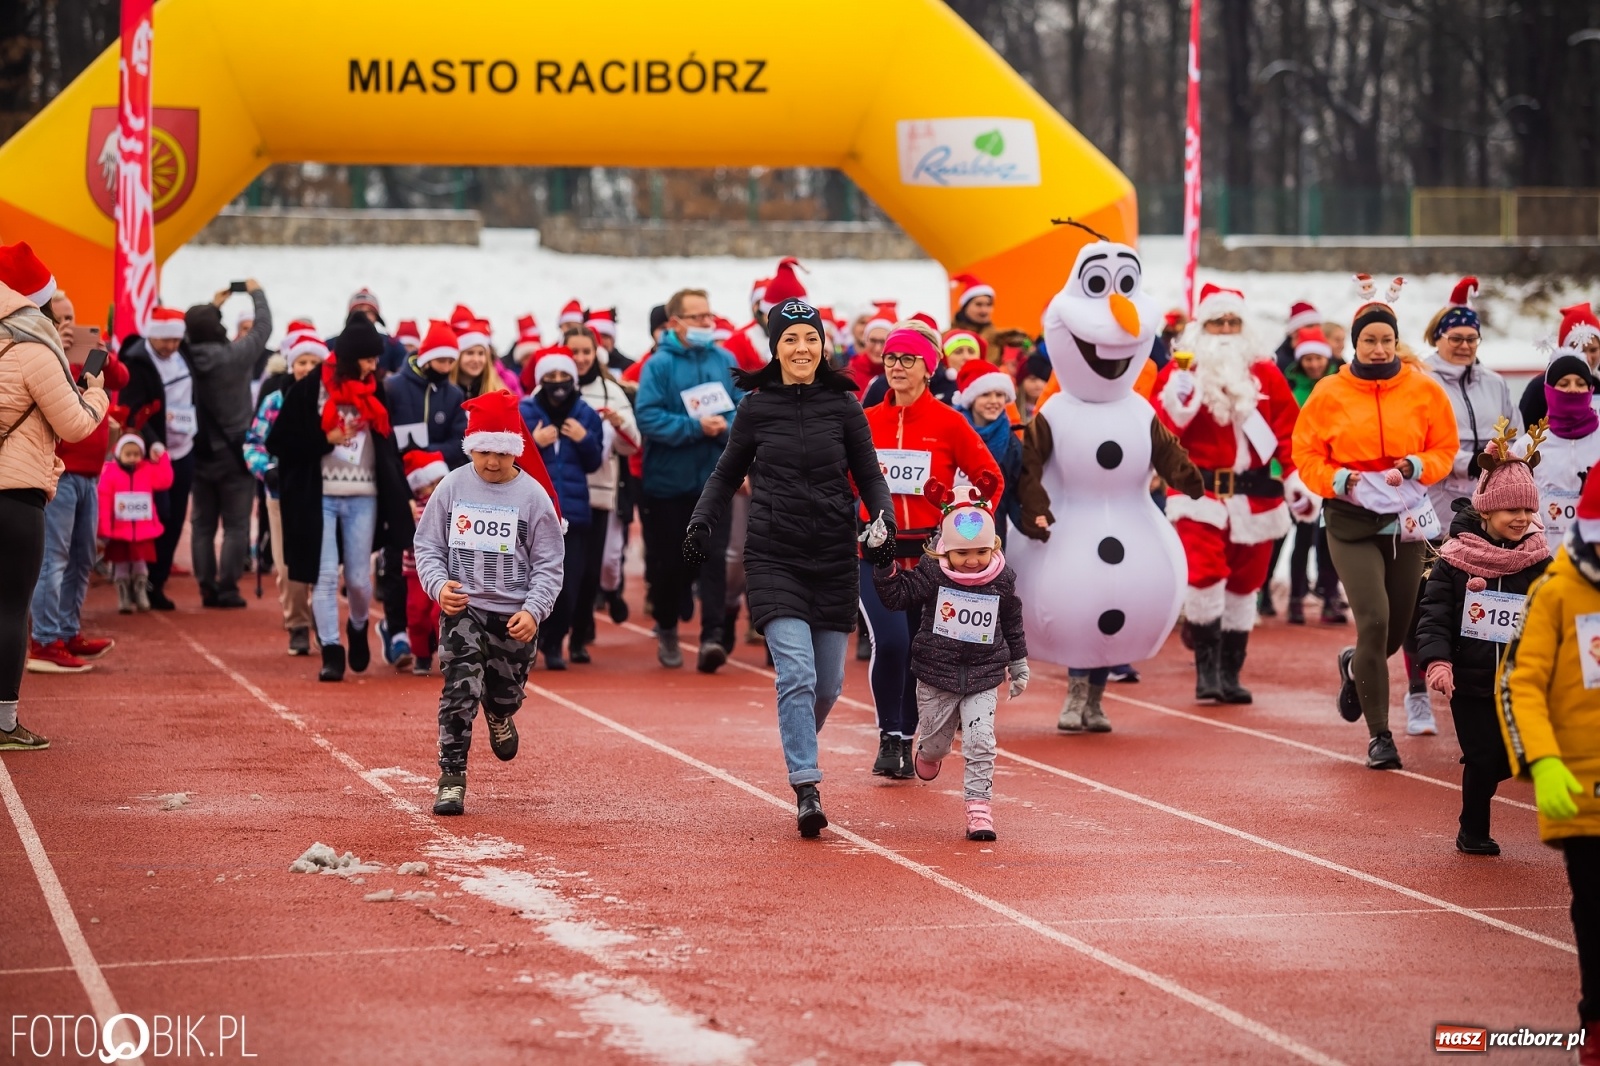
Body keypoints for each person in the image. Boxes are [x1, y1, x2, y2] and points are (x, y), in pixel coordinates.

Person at [687, 297, 895, 836]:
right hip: (774, 556)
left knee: (826, 687)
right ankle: (807, 784)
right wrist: (700, 525)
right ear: (776, 349)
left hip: (832, 557)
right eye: (790, 340)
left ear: (822, 345)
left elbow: (870, 476)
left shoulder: (844, 406)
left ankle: (797, 730)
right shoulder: (755, 409)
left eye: (810, 339)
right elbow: (724, 475)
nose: (801, 348)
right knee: (797, 675)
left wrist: (885, 519)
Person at [1291, 276, 1458, 769]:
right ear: (1355, 343)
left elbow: (1443, 449)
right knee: (1375, 618)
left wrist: (1416, 466)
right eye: (1370, 339)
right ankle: (1380, 736)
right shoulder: (1329, 391)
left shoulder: (1423, 391)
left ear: (1396, 341)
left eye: (1387, 339)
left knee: (1396, 628)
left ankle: (1352, 664)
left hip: (1408, 517)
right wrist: (1339, 480)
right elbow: (1304, 454)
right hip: (1350, 520)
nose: (1380, 347)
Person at [1154, 284, 1312, 704]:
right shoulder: (1179, 373)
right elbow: (1162, 432)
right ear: (1200, 327)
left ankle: (1230, 671)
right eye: (1217, 321)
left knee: (1246, 585)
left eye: (1232, 321)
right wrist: (1180, 401)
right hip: (1199, 495)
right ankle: (1206, 672)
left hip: (1256, 496)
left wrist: (1296, 475)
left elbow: (1289, 430)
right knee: (1205, 576)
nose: (1225, 329)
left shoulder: (1265, 372)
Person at [861, 320, 1004, 778]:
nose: (896, 366)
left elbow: (990, 479)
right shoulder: (865, 423)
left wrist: (967, 530)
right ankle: (890, 736)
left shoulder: (949, 423)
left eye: (908, 359)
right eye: (890, 358)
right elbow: (842, 482)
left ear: (929, 368)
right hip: (878, 557)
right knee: (893, 642)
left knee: (921, 650)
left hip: (929, 560)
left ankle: (910, 736)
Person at [413, 391, 565, 816]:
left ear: (514, 449)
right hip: (464, 608)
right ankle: (451, 777)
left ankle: (500, 713)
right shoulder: (452, 486)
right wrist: (439, 585)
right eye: (482, 452)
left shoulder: (533, 497)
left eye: (500, 453)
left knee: (503, 694)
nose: (492, 462)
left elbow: (550, 563)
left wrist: (534, 611)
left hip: (514, 616)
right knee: (459, 688)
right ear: (470, 446)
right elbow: (427, 546)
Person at [1496, 460, 1600, 1062]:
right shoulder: (1557, 591)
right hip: (1580, 790)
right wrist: (1543, 763)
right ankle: (1595, 1023)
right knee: (1596, 911)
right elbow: (1519, 685)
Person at [1415, 432, 1550, 855]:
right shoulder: (1455, 558)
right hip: (1470, 682)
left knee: (1518, 757)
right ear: (1487, 510)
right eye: (1512, 508)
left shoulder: (1538, 560)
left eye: (1529, 508)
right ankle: (1472, 830)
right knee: (1482, 754)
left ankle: (1480, 798)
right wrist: (1437, 662)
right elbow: (1434, 616)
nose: (1522, 517)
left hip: (1520, 682)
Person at [872, 475, 1027, 841]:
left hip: (984, 674)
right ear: (944, 551)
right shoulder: (932, 575)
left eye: (980, 552)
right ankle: (928, 751)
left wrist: (1018, 662)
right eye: (962, 554)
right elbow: (897, 596)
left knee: (980, 741)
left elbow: (1012, 620)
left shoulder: (1001, 579)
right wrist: (883, 563)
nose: (973, 561)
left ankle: (979, 810)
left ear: (993, 546)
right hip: (936, 675)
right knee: (937, 744)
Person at [0, 241, 109, 745]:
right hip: (15, 494)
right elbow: (74, 423)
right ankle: (4, 723)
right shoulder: (33, 349)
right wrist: (95, 391)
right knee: (10, 608)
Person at [267, 312, 414, 682]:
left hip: (364, 495)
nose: (374, 365)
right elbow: (278, 441)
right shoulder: (309, 388)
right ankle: (331, 650)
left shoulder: (374, 388)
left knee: (361, 580)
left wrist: (401, 493)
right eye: (368, 359)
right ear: (351, 357)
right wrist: (324, 441)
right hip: (319, 496)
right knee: (324, 576)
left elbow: (386, 445)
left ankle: (359, 625)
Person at [1407, 277, 1521, 734]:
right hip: (1434, 507)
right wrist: (1468, 464)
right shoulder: (1422, 381)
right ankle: (1416, 692)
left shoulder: (1494, 382)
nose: (1464, 345)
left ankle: (1479, 703)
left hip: (1485, 509)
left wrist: (1508, 463)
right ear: (1438, 338)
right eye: (1455, 338)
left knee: (1480, 601)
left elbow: (1511, 433)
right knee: (1426, 605)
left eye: (1471, 338)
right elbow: (1416, 444)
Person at [633, 288, 743, 672]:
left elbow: (744, 415)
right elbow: (647, 416)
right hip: (668, 484)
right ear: (676, 322)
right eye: (697, 317)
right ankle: (666, 627)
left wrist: (723, 428)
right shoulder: (658, 366)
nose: (706, 323)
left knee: (713, 561)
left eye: (708, 315)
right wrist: (695, 427)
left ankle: (712, 636)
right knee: (672, 562)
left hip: (715, 482)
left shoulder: (725, 360)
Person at [27, 287, 126, 673]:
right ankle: (45, 639)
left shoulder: (84, 357)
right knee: (54, 558)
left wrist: (100, 350)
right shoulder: (43, 354)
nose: (69, 326)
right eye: (62, 319)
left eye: (72, 318)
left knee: (83, 556)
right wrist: (60, 349)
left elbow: (120, 376)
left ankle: (67, 631)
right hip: (61, 473)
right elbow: (62, 401)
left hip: (89, 474)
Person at [382, 320, 470, 668]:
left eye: (452, 361)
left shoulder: (454, 394)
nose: (447, 367)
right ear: (427, 356)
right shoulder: (394, 387)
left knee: (433, 564)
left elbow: (459, 443)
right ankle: (397, 630)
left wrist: (427, 455)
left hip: (437, 486)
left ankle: (427, 640)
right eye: (442, 360)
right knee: (394, 562)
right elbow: (385, 436)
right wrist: (404, 465)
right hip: (396, 483)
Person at [182, 280, 272, 608]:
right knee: (236, 526)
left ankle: (206, 587)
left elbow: (193, 326)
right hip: (236, 454)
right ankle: (228, 588)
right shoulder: (235, 356)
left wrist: (213, 305)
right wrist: (255, 292)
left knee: (202, 525)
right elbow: (263, 327)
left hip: (200, 452)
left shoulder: (186, 353)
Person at [518, 346, 604, 669]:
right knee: (526, 581)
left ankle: (555, 642)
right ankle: (528, 642)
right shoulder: (525, 412)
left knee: (568, 586)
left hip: (574, 515)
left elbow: (594, 461)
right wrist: (532, 444)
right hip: (530, 514)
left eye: (564, 376)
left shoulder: (586, 413)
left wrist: (584, 439)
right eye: (550, 377)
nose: (558, 382)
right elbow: (507, 458)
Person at [244, 326, 326, 655]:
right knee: (287, 565)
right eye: (301, 361)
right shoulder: (274, 400)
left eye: (313, 362)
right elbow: (253, 443)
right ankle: (297, 624)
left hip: (323, 493)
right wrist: (269, 471)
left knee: (325, 563)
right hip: (281, 495)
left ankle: (324, 618)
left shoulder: (329, 401)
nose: (307, 367)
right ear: (291, 364)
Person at [567, 326, 640, 662]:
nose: (580, 359)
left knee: (589, 569)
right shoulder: (547, 387)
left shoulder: (611, 392)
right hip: (556, 495)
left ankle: (580, 635)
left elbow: (631, 445)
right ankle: (552, 635)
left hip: (598, 493)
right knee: (557, 568)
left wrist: (619, 424)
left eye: (586, 352)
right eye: (574, 351)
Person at [117, 305, 195, 610]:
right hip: (153, 453)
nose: (171, 346)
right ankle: (135, 576)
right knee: (156, 516)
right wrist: (151, 441)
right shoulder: (137, 360)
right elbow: (131, 407)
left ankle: (157, 583)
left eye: (176, 340)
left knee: (176, 517)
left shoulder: (184, 354)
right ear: (153, 336)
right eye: (166, 341)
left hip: (184, 448)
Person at [1276, 325, 1344, 625]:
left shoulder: (1342, 383)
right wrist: (1282, 472)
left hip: (1334, 472)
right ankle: (1295, 600)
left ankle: (1330, 596)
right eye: (1308, 359)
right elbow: (1284, 433)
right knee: (1301, 538)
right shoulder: (1291, 387)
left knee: (1330, 539)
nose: (1314, 364)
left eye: (1319, 358)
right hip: (1301, 473)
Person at [1523, 353, 1600, 545]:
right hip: (1542, 558)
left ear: (1590, 389)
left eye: (1580, 383)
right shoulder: (1529, 444)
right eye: (1564, 383)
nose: (1573, 389)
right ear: (1549, 390)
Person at [98, 433, 174, 613]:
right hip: (120, 533)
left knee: (141, 565)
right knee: (121, 565)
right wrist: (104, 530)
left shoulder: (147, 470)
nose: (132, 458)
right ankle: (123, 596)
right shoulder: (110, 474)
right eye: (128, 454)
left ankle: (140, 592)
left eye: (136, 454)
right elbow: (104, 502)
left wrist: (162, 456)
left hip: (143, 531)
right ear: (118, 454)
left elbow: (165, 479)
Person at [953, 358, 1022, 545]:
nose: (994, 401)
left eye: (999, 395)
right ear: (971, 398)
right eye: (985, 395)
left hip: (993, 530)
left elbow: (1018, 491)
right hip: (948, 526)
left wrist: (1030, 522)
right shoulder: (950, 430)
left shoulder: (1011, 442)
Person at [400, 449, 450, 675]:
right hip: (415, 571)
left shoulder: (450, 506)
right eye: (433, 482)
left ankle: (450, 655)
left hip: (444, 570)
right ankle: (421, 654)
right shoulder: (411, 509)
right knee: (416, 613)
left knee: (440, 614)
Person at [1521, 302, 1600, 428]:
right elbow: (1524, 432)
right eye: (1580, 350)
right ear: (1564, 349)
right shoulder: (1539, 389)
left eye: (1593, 350)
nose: (1588, 359)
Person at [948, 273, 1030, 365]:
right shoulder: (946, 337)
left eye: (988, 305)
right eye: (979, 304)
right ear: (964, 307)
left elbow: (1029, 346)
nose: (984, 310)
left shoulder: (1002, 337)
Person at [342, 287, 410, 375]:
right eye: (358, 311)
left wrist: (388, 379)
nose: (363, 316)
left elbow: (405, 379)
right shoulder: (332, 346)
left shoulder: (393, 346)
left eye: (369, 311)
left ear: (376, 317)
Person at [452, 318, 518, 397]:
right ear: (458, 356)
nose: (476, 359)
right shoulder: (444, 393)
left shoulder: (499, 393)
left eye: (481, 353)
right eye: (469, 353)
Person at [847, 302, 896, 399]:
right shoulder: (850, 372)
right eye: (873, 341)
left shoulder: (900, 374)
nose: (877, 348)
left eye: (883, 342)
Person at [1274, 299, 1323, 370]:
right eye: (1310, 326)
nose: (1316, 330)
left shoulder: (1325, 351)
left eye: (1318, 326)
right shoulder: (1281, 360)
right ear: (1294, 331)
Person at [1016, 352, 1052, 424]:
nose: (1038, 384)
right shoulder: (1013, 409)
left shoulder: (1053, 408)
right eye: (1032, 379)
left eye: (1043, 379)